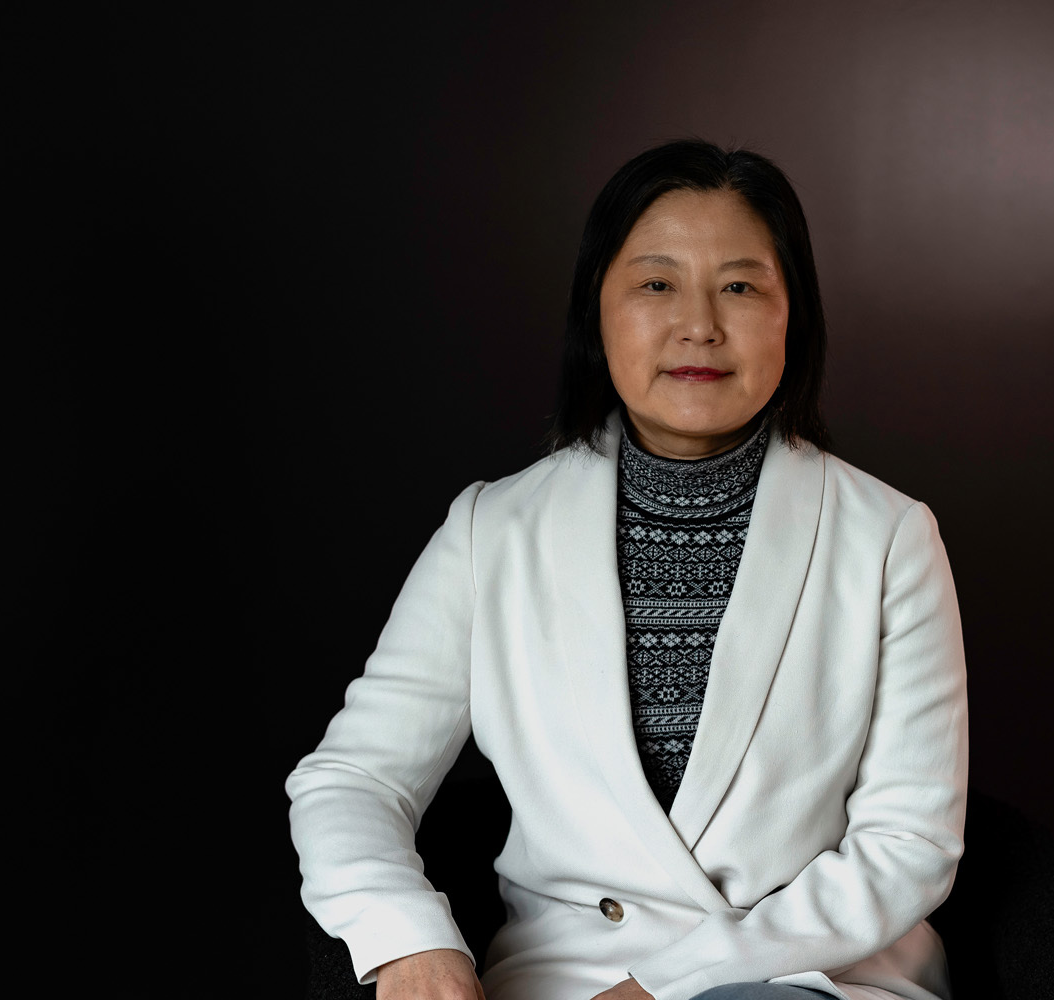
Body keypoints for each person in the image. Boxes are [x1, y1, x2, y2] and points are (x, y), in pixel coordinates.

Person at [287, 140, 969, 1000]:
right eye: (656, 284)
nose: (699, 325)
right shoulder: (491, 532)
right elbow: (354, 777)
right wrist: (407, 938)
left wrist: (668, 985)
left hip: (808, 976)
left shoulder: (891, 538)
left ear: (793, 316)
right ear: (596, 311)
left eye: (740, 287)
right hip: (568, 983)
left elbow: (908, 845)